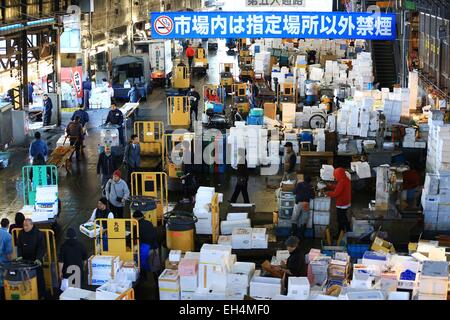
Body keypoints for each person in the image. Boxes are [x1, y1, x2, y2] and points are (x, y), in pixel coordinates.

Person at [132, 210, 160, 298]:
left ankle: (143, 280)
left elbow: (134, 237)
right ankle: (158, 280)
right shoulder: (148, 223)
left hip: (146, 248)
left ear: (135, 218)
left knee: (141, 262)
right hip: (154, 247)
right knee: (155, 265)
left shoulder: (136, 225)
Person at [16, 219, 46, 298]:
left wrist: (39, 258)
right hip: (25, 259)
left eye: (27, 225)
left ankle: (41, 294)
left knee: (39, 278)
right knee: (26, 277)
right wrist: (19, 255)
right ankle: (28, 294)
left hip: (36, 259)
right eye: (24, 225)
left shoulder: (38, 234)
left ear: (32, 225)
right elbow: (19, 246)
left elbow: (41, 247)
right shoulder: (21, 233)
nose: (25, 227)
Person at [326, 167, 352, 236]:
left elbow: (335, 194)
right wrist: (331, 186)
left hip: (342, 203)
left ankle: (340, 233)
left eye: (336, 175)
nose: (335, 177)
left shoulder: (342, 182)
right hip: (346, 202)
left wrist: (327, 193)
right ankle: (348, 230)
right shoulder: (346, 179)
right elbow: (339, 188)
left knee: (340, 219)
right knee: (344, 217)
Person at [0, 218, 13, 300]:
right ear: (8, 225)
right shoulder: (8, 236)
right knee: (3, 282)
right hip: (3, 263)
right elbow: (8, 254)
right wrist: (11, 263)